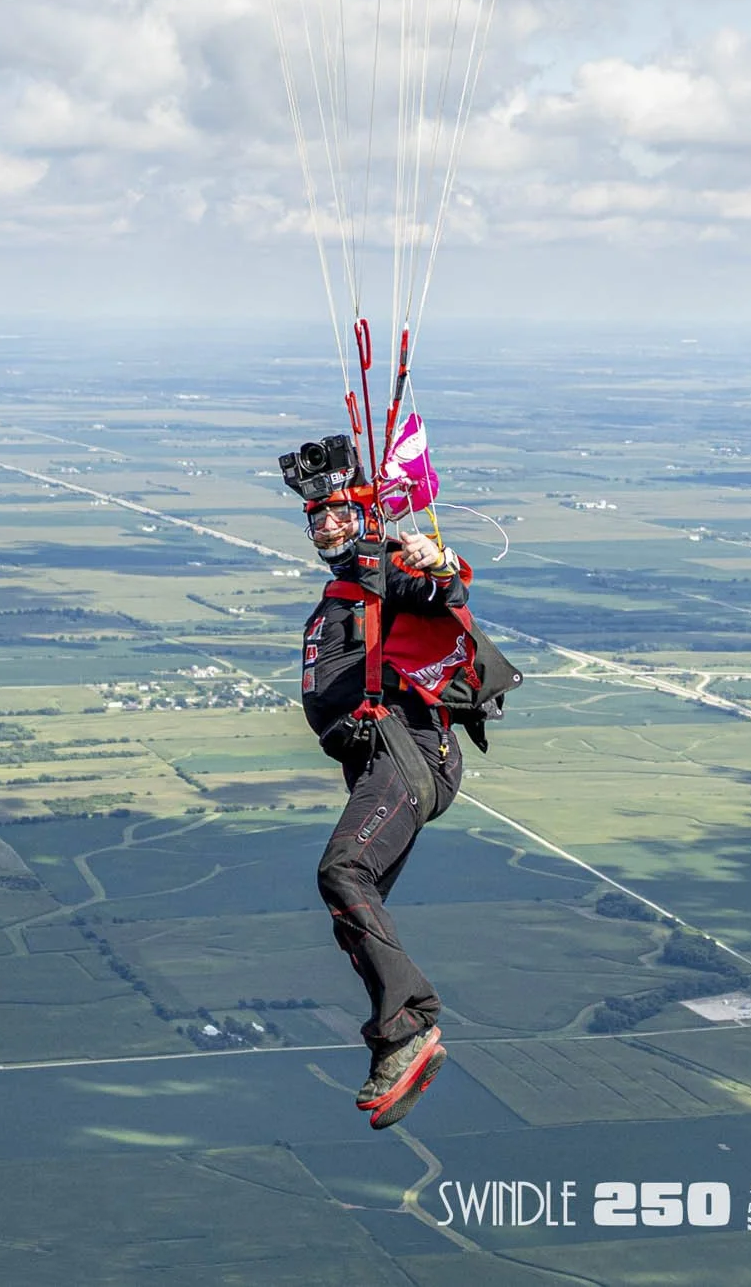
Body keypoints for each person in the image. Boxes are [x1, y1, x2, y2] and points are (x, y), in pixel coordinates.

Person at [288, 433, 494, 1129]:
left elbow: (441, 588)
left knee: (342, 870)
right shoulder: (343, 592)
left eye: (338, 511)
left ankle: (407, 1029)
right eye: (315, 515)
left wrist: (436, 562)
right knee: (354, 898)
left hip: (408, 755)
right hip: (380, 766)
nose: (325, 523)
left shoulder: (382, 569)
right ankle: (399, 1028)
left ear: (366, 514)